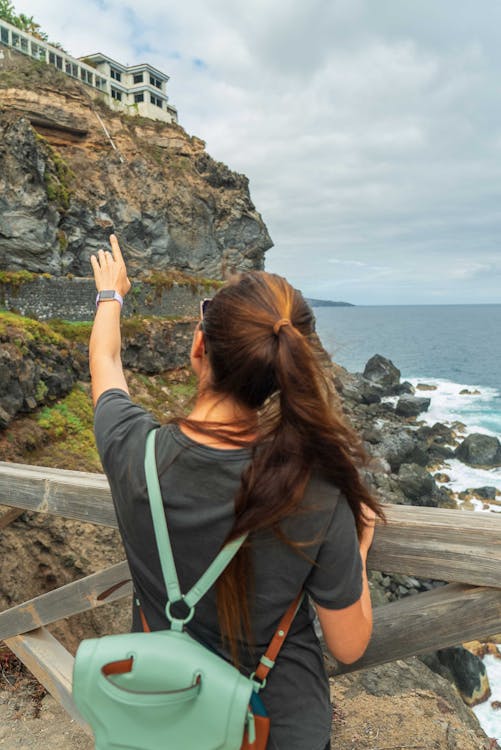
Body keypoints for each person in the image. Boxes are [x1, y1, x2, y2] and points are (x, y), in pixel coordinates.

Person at [90, 235, 384, 750]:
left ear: (200, 347)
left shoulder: (132, 450)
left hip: (162, 713)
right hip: (274, 727)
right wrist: (357, 550)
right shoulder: (315, 490)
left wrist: (110, 295)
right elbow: (350, 644)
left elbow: (107, 366)